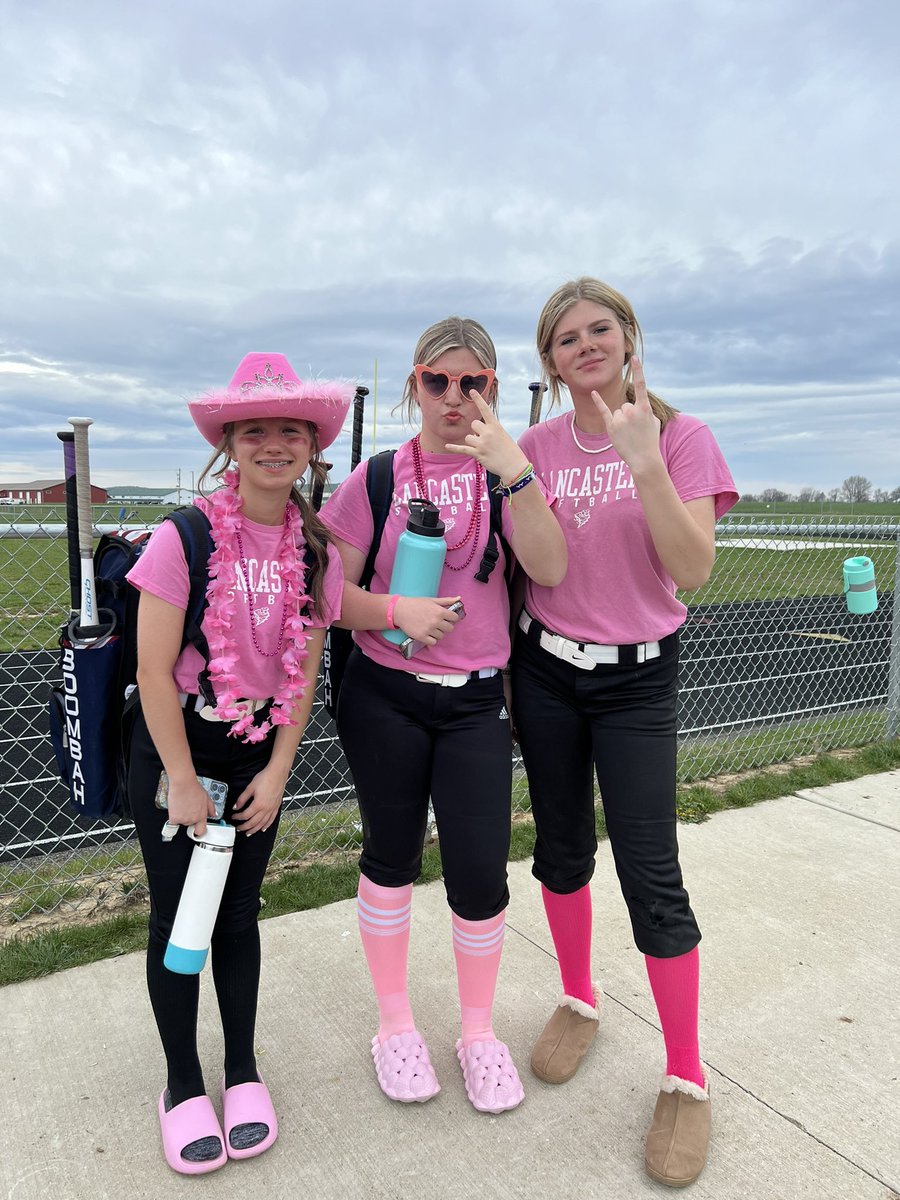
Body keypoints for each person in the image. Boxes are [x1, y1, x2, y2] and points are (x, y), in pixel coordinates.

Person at [512, 279, 738, 1187]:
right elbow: (530, 562)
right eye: (566, 339)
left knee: (651, 870)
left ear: (630, 339)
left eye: (600, 329)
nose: (586, 345)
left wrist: (643, 459)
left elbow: (690, 572)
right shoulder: (532, 447)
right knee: (561, 849)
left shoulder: (682, 437)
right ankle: (578, 996)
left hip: (637, 679)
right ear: (551, 362)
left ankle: (686, 1074)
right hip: (545, 671)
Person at [320, 316, 567, 1114]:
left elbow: (550, 566)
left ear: (494, 389)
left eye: (475, 382)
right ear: (415, 384)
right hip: (384, 694)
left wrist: (514, 470)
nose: (455, 397)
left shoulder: (511, 474)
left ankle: (477, 1033)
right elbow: (327, 596)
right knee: (391, 857)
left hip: (474, 705)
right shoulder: (379, 477)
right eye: (438, 380)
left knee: (478, 873)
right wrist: (397, 608)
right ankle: (394, 1027)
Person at [126, 353, 350, 1175]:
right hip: (181, 747)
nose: (274, 444)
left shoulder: (317, 547)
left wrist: (281, 770)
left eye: (291, 431)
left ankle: (241, 1069)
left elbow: (307, 667)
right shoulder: (182, 537)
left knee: (238, 915)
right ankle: (183, 1084)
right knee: (175, 918)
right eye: (255, 430)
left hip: (259, 753)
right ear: (229, 443)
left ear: (311, 448)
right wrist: (182, 780)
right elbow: (154, 671)